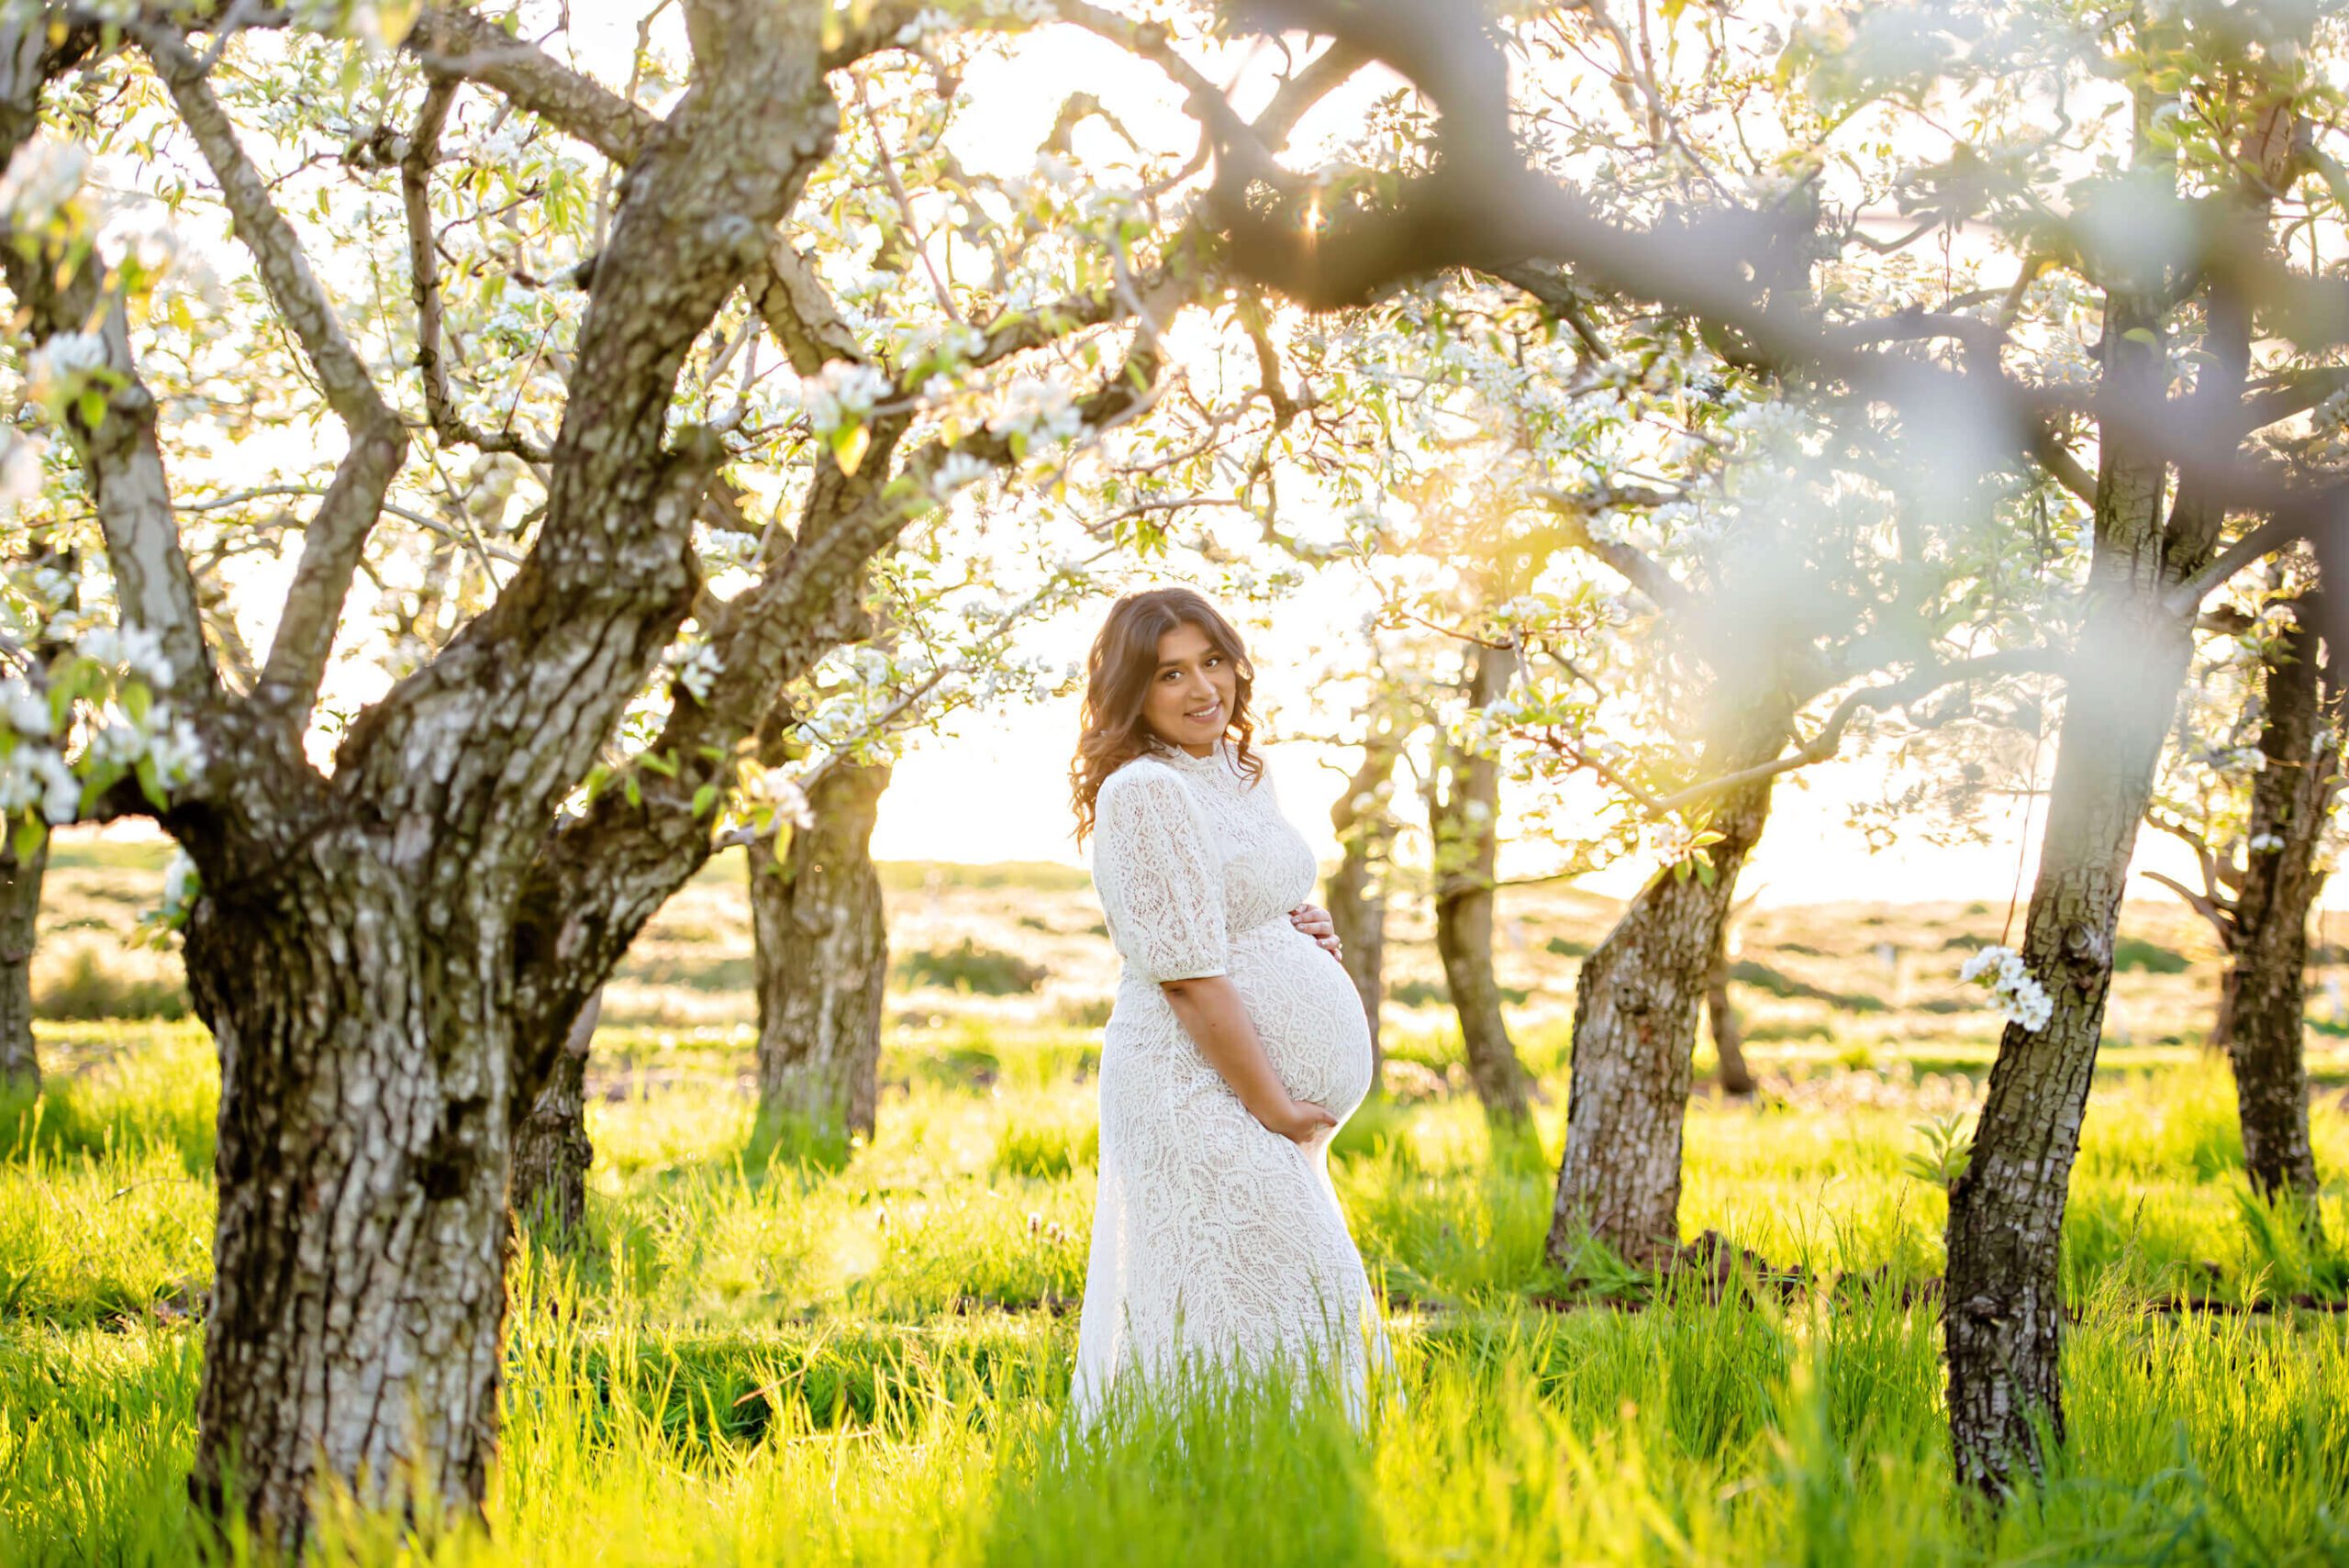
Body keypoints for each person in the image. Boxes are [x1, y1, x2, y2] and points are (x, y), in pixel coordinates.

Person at [1065, 585, 1396, 1427]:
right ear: (1132, 692)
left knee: (1277, 1303)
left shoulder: (1241, 769)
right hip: (1192, 1086)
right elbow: (1184, 975)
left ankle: (1284, 1490)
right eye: (1170, 673)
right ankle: (1201, 1487)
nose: (1202, 688)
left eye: (1212, 661)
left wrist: (1298, 926)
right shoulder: (1143, 790)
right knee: (1266, 1291)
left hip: (1245, 1092)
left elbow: (1242, 899)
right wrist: (1277, 1107)